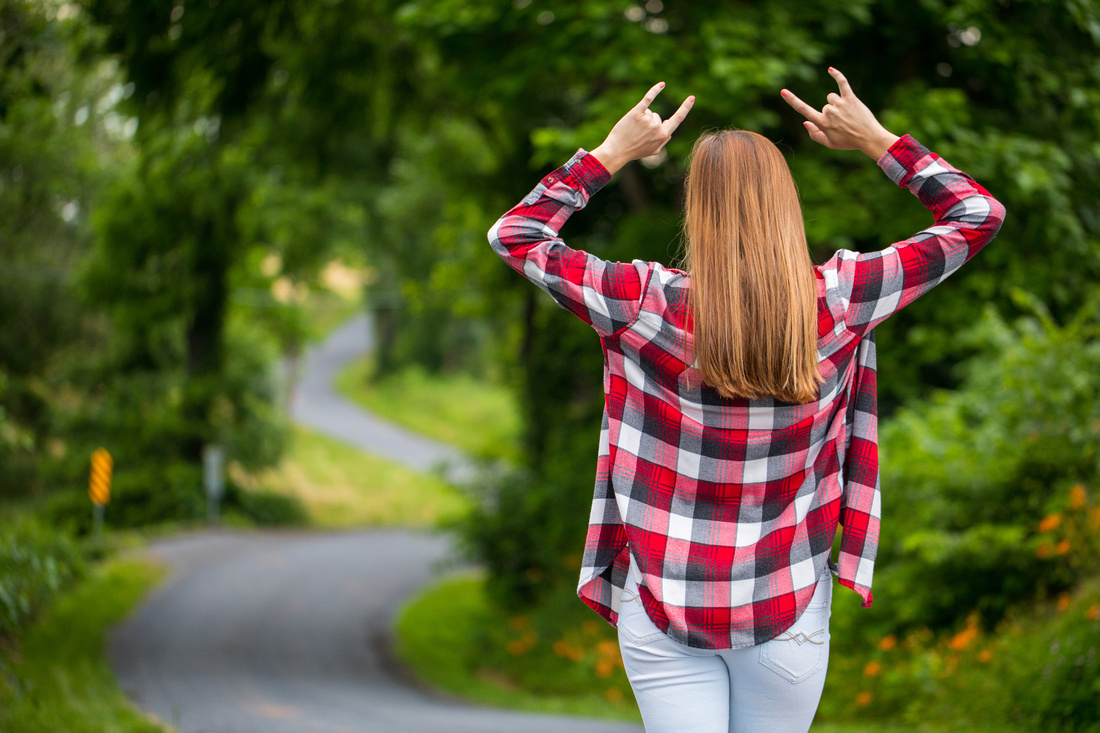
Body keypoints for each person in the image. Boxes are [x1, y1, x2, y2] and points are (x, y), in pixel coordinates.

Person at [487, 68, 1005, 733]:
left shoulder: (640, 302)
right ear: (785, 204)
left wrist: (609, 154)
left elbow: (517, 234)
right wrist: (877, 140)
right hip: (787, 607)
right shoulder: (843, 298)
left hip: (665, 603)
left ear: (693, 208)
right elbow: (977, 215)